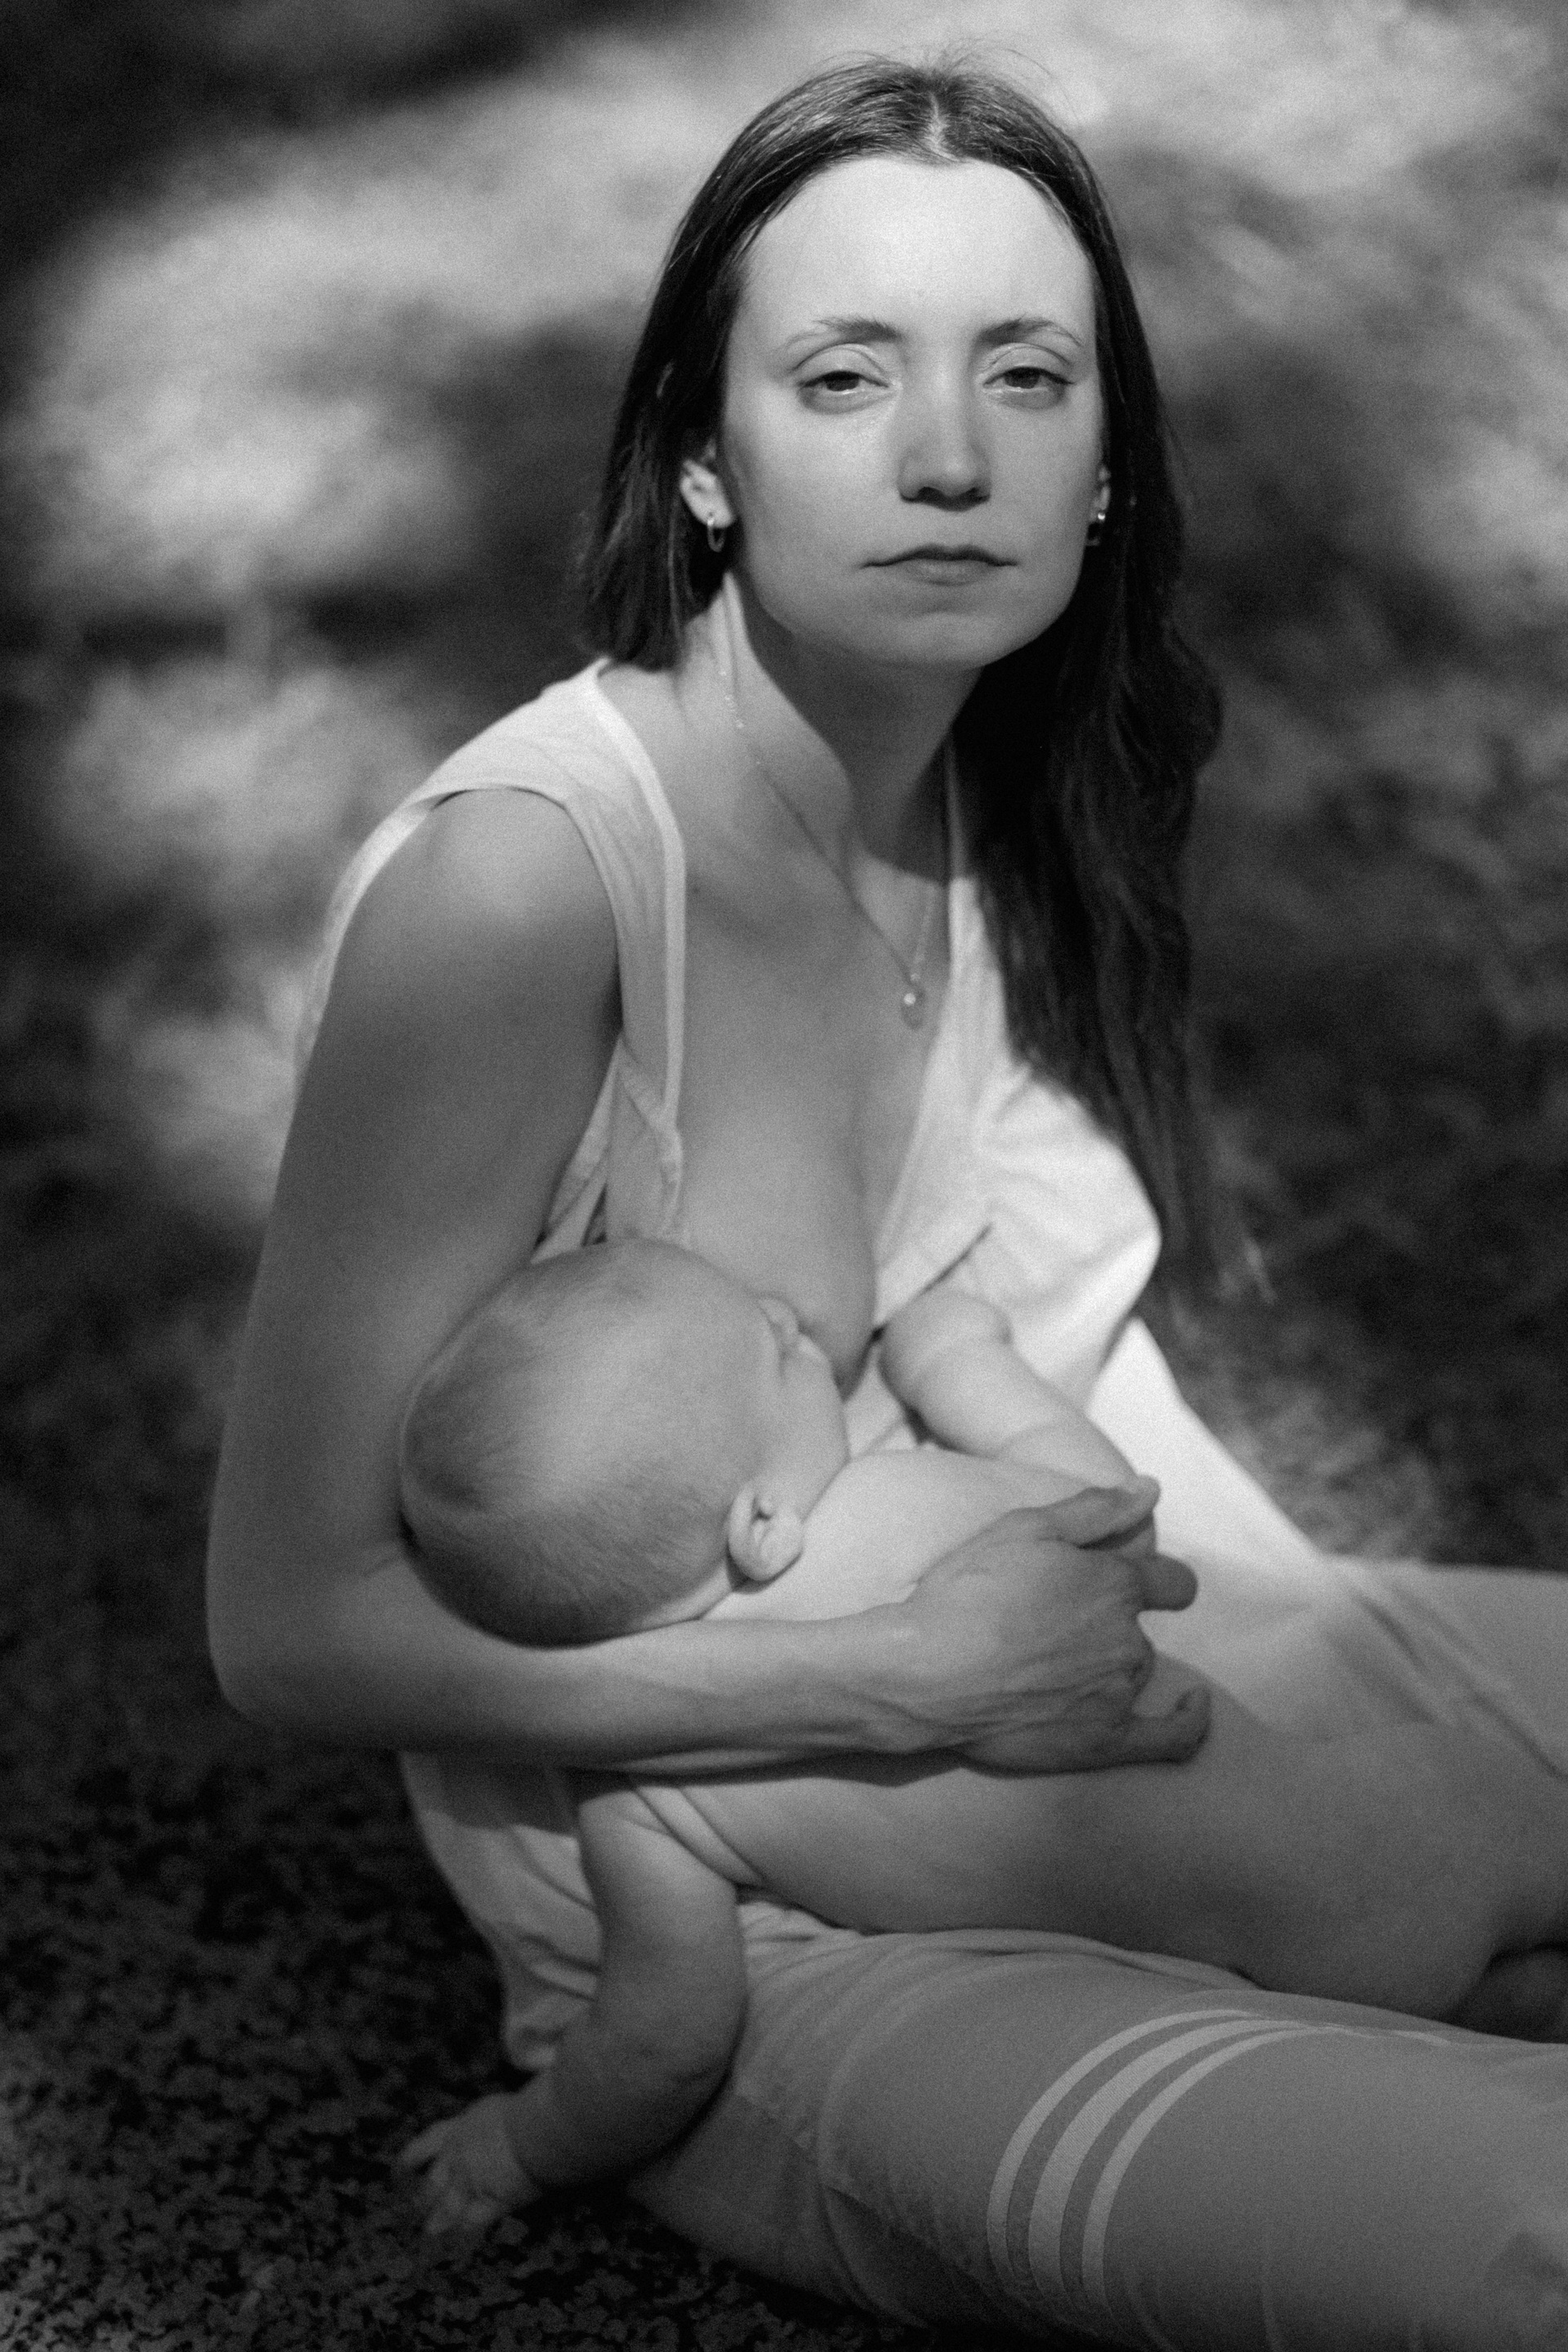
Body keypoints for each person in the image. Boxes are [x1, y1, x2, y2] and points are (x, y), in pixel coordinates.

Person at [206, 53, 1568, 2347]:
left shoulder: (961, 800)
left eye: (1024, 378)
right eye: (846, 377)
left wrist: (1282, 1690)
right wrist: (893, 1674)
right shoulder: (527, 887)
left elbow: (1043, 1405)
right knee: (1523, 2228)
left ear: (1107, 465)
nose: (949, 457)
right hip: (761, 1941)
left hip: (1153, 1705)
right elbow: (285, 1624)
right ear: (706, 456)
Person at [393, 1236, 1568, 2235]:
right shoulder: (902, 1509)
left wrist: (522, 2146)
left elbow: (665, 2037)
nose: (792, 1323)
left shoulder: (645, 1798)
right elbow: (1115, 1510)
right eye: (775, 1347)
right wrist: (959, 1359)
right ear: (760, 1523)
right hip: (1388, 1842)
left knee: (1515, 2038)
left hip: (1271, 2006)